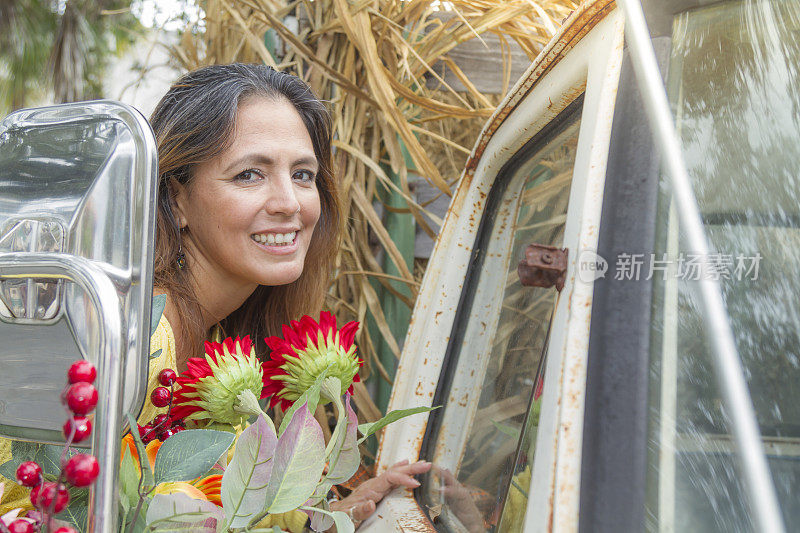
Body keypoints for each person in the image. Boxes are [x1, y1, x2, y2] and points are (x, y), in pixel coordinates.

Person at [143, 63, 430, 527]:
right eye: (250, 175)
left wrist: (324, 516)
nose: (290, 202)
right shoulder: (143, 343)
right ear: (177, 199)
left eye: (302, 174)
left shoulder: (222, 341)